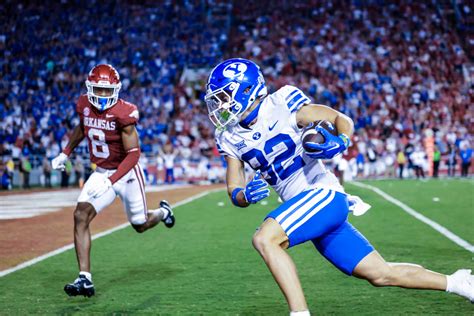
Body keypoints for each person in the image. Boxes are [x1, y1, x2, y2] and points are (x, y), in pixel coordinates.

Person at [206, 58, 474, 315]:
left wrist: (342, 141)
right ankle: (460, 283)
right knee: (381, 274)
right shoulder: (228, 136)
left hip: (323, 195)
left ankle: (300, 313)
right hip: (306, 209)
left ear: (247, 90)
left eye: (223, 96)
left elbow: (340, 119)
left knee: (265, 239)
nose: (219, 105)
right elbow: (234, 188)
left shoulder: (282, 102)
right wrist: (243, 194)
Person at [51, 64, 176, 298]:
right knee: (80, 215)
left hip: (126, 173)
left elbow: (134, 154)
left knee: (139, 224)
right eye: (98, 89)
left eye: (107, 91)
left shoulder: (124, 113)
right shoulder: (84, 105)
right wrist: (65, 152)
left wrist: (111, 181)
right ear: (89, 88)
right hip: (101, 172)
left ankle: (162, 212)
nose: (102, 96)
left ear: (116, 90)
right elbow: (83, 127)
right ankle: (84, 278)